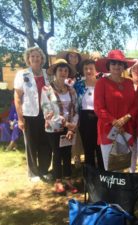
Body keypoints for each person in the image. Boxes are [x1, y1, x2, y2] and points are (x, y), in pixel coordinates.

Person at [94, 49, 137, 170]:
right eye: (113, 63)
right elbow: (98, 107)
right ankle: (112, 189)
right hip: (108, 129)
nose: (117, 66)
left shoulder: (129, 83)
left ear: (124, 66)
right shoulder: (101, 83)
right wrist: (115, 122)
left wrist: (125, 119)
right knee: (111, 165)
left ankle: (124, 188)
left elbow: (135, 105)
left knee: (125, 162)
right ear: (108, 66)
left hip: (126, 128)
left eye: (120, 64)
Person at [14, 46, 52, 182]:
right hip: (29, 115)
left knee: (46, 144)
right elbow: (17, 97)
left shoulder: (48, 74)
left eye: (38, 56)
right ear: (28, 59)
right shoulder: (22, 74)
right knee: (31, 144)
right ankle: (33, 173)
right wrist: (20, 119)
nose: (36, 58)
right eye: (32, 56)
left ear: (42, 58)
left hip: (47, 115)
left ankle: (44, 170)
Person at [41, 59, 79, 194]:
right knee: (57, 153)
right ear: (55, 72)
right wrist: (65, 124)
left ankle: (68, 179)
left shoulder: (71, 90)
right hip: (53, 127)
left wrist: (71, 127)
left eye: (65, 70)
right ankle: (58, 181)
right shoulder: (46, 90)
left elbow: (76, 110)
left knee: (67, 153)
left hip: (69, 128)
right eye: (60, 70)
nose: (63, 73)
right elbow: (47, 112)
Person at [57, 48, 88, 167]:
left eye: (76, 57)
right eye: (71, 56)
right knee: (66, 130)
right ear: (67, 58)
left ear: (79, 59)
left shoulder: (81, 73)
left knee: (78, 131)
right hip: (65, 106)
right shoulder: (63, 73)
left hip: (80, 105)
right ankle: (67, 157)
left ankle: (78, 157)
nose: (73, 59)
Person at [74, 59, 104, 170]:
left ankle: (102, 174)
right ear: (83, 70)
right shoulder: (78, 85)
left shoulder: (101, 84)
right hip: (85, 118)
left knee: (100, 146)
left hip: (100, 117)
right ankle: (90, 175)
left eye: (91, 68)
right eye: (86, 69)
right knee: (88, 147)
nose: (88, 71)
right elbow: (74, 102)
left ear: (96, 70)